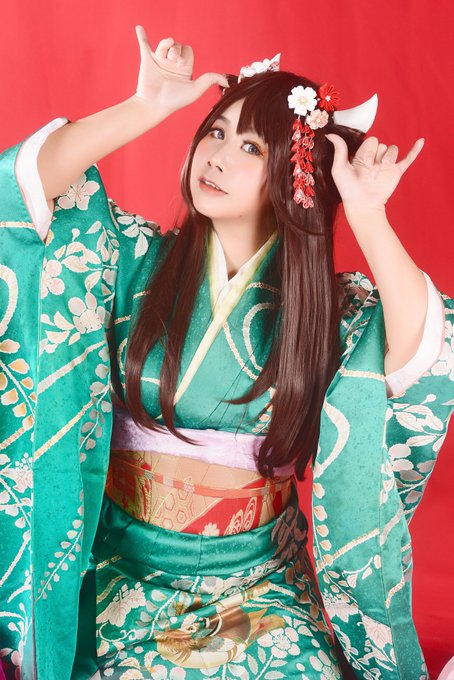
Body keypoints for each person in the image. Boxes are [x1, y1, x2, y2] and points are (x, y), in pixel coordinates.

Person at [0, 25, 452, 680]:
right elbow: (23, 198)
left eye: (249, 146)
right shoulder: (129, 258)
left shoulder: (322, 313)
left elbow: (422, 354)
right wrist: (145, 107)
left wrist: (367, 213)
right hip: (123, 577)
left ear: (295, 178)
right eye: (215, 132)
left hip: (258, 589)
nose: (216, 156)